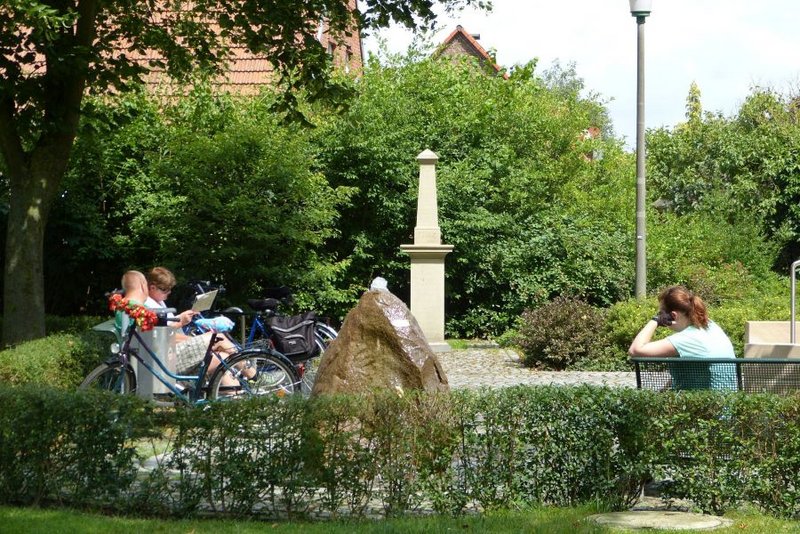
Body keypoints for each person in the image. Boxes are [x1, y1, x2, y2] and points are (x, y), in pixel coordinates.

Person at [629, 285, 736, 390]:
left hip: (705, 405)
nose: (659, 316)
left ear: (673, 316)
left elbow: (635, 350)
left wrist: (655, 320)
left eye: (660, 313)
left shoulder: (686, 339)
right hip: (724, 402)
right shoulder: (711, 326)